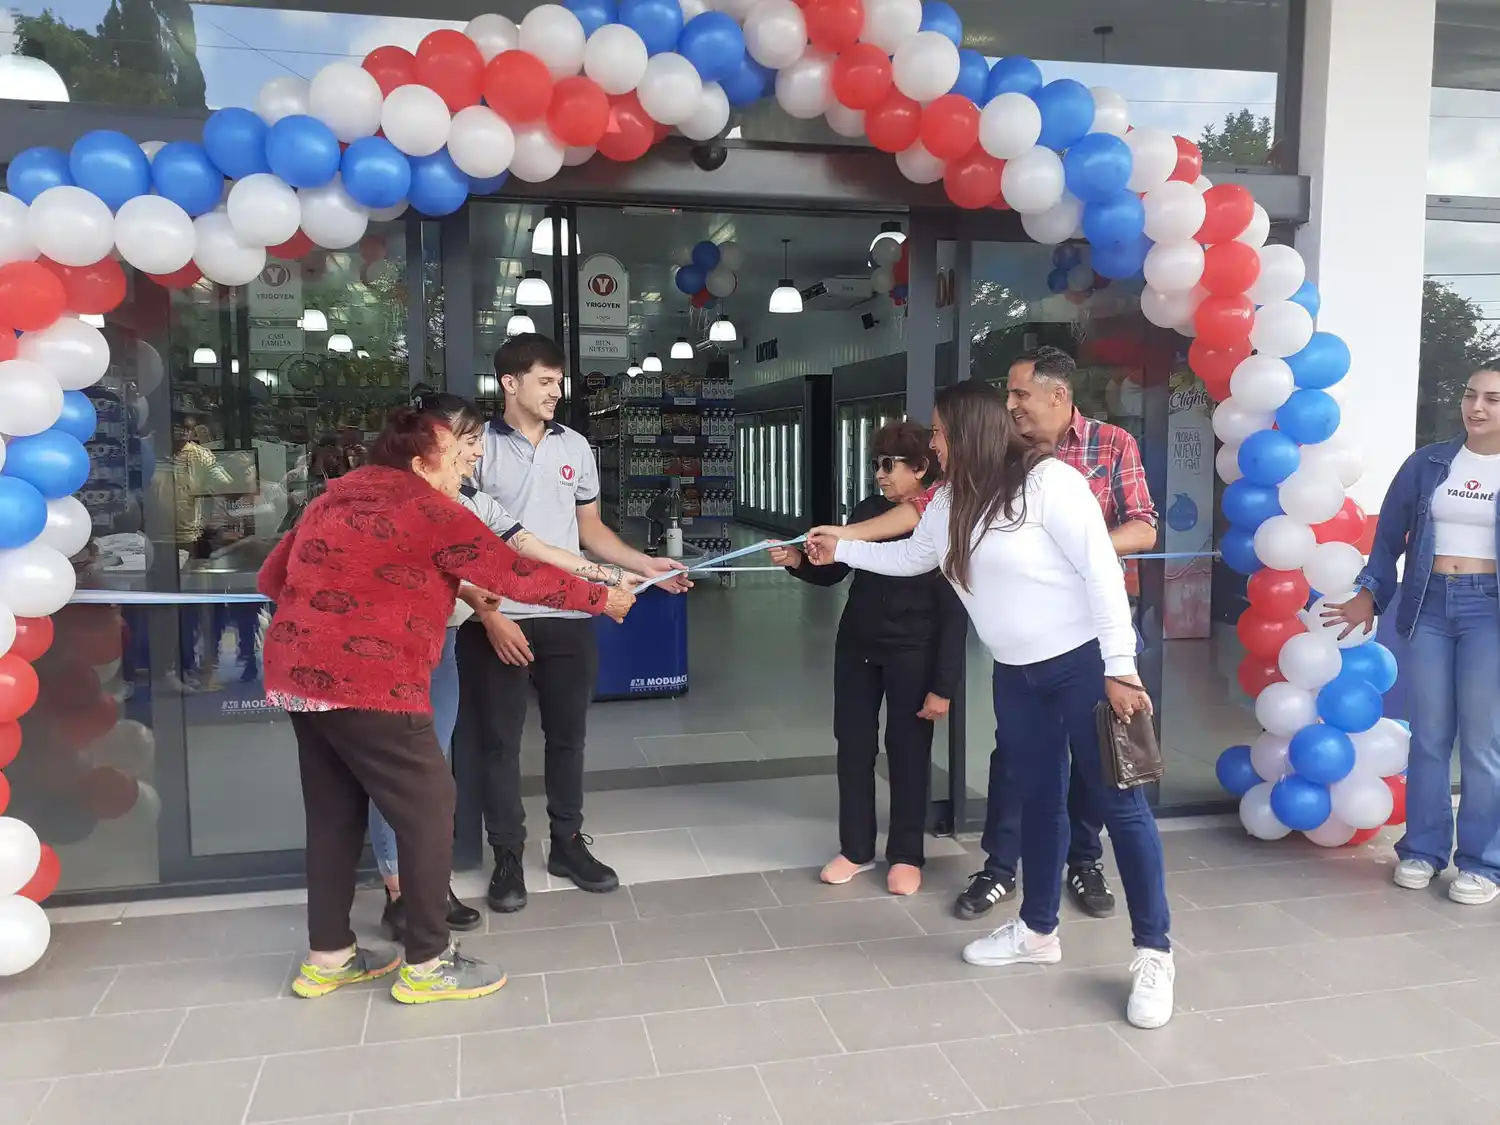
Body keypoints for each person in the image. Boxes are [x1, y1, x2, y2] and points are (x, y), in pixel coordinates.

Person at [808, 380, 1174, 1029]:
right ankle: (1037, 930)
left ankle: (1154, 951)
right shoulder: (951, 501)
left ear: (971, 431)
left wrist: (1120, 669)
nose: (933, 444)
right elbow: (914, 557)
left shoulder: (1051, 483)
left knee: (1120, 803)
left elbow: (1101, 571)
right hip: (1018, 675)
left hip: (1085, 665)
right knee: (1036, 797)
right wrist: (841, 546)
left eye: (941, 433)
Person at [258, 407, 634, 1005]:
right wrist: (601, 596)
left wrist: (372, 599)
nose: (469, 467)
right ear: (420, 460)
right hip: (374, 681)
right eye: (459, 458)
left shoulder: (335, 495)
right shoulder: (429, 509)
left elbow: (273, 577)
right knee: (431, 809)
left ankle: (328, 957)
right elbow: (516, 573)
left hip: (299, 675)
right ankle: (428, 964)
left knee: (333, 816)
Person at [369, 394, 644, 942]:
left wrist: (604, 575)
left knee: (430, 763)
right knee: (401, 769)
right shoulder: (392, 497)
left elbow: (526, 548)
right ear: (428, 445)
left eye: (476, 440)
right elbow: (505, 573)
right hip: (387, 653)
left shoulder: (468, 497)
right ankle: (403, 893)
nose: (477, 454)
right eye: (467, 442)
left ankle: (423, 885)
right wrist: (595, 596)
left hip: (441, 641)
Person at [462, 334, 690, 914]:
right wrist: (487, 614)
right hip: (499, 618)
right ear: (509, 384)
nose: (556, 393)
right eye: (546, 382)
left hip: (566, 613)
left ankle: (566, 843)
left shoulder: (577, 446)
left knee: (568, 738)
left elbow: (589, 531)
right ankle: (507, 856)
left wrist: (644, 566)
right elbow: (465, 543)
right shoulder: (475, 448)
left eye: (558, 383)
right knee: (498, 744)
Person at [1324, 365, 1500, 907]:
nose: (1477, 407)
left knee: (1481, 741)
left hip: (1489, 611)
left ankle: (1482, 861)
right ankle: (1422, 850)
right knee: (1427, 735)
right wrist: (1370, 593)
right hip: (1430, 604)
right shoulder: (1428, 463)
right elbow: (1388, 537)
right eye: (1471, 395)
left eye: (1493, 400)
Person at [769, 422, 966, 896]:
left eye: (888, 465)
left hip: (913, 653)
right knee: (854, 748)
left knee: (908, 752)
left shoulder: (941, 519)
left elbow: (954, 610)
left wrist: (943, 685)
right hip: (857, 648)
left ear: (921, 468)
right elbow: (836, 570)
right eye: (875, 464)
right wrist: (799, 562)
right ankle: (855, 849)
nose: (879, 474)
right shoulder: (867, 512)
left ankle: (905, 854)